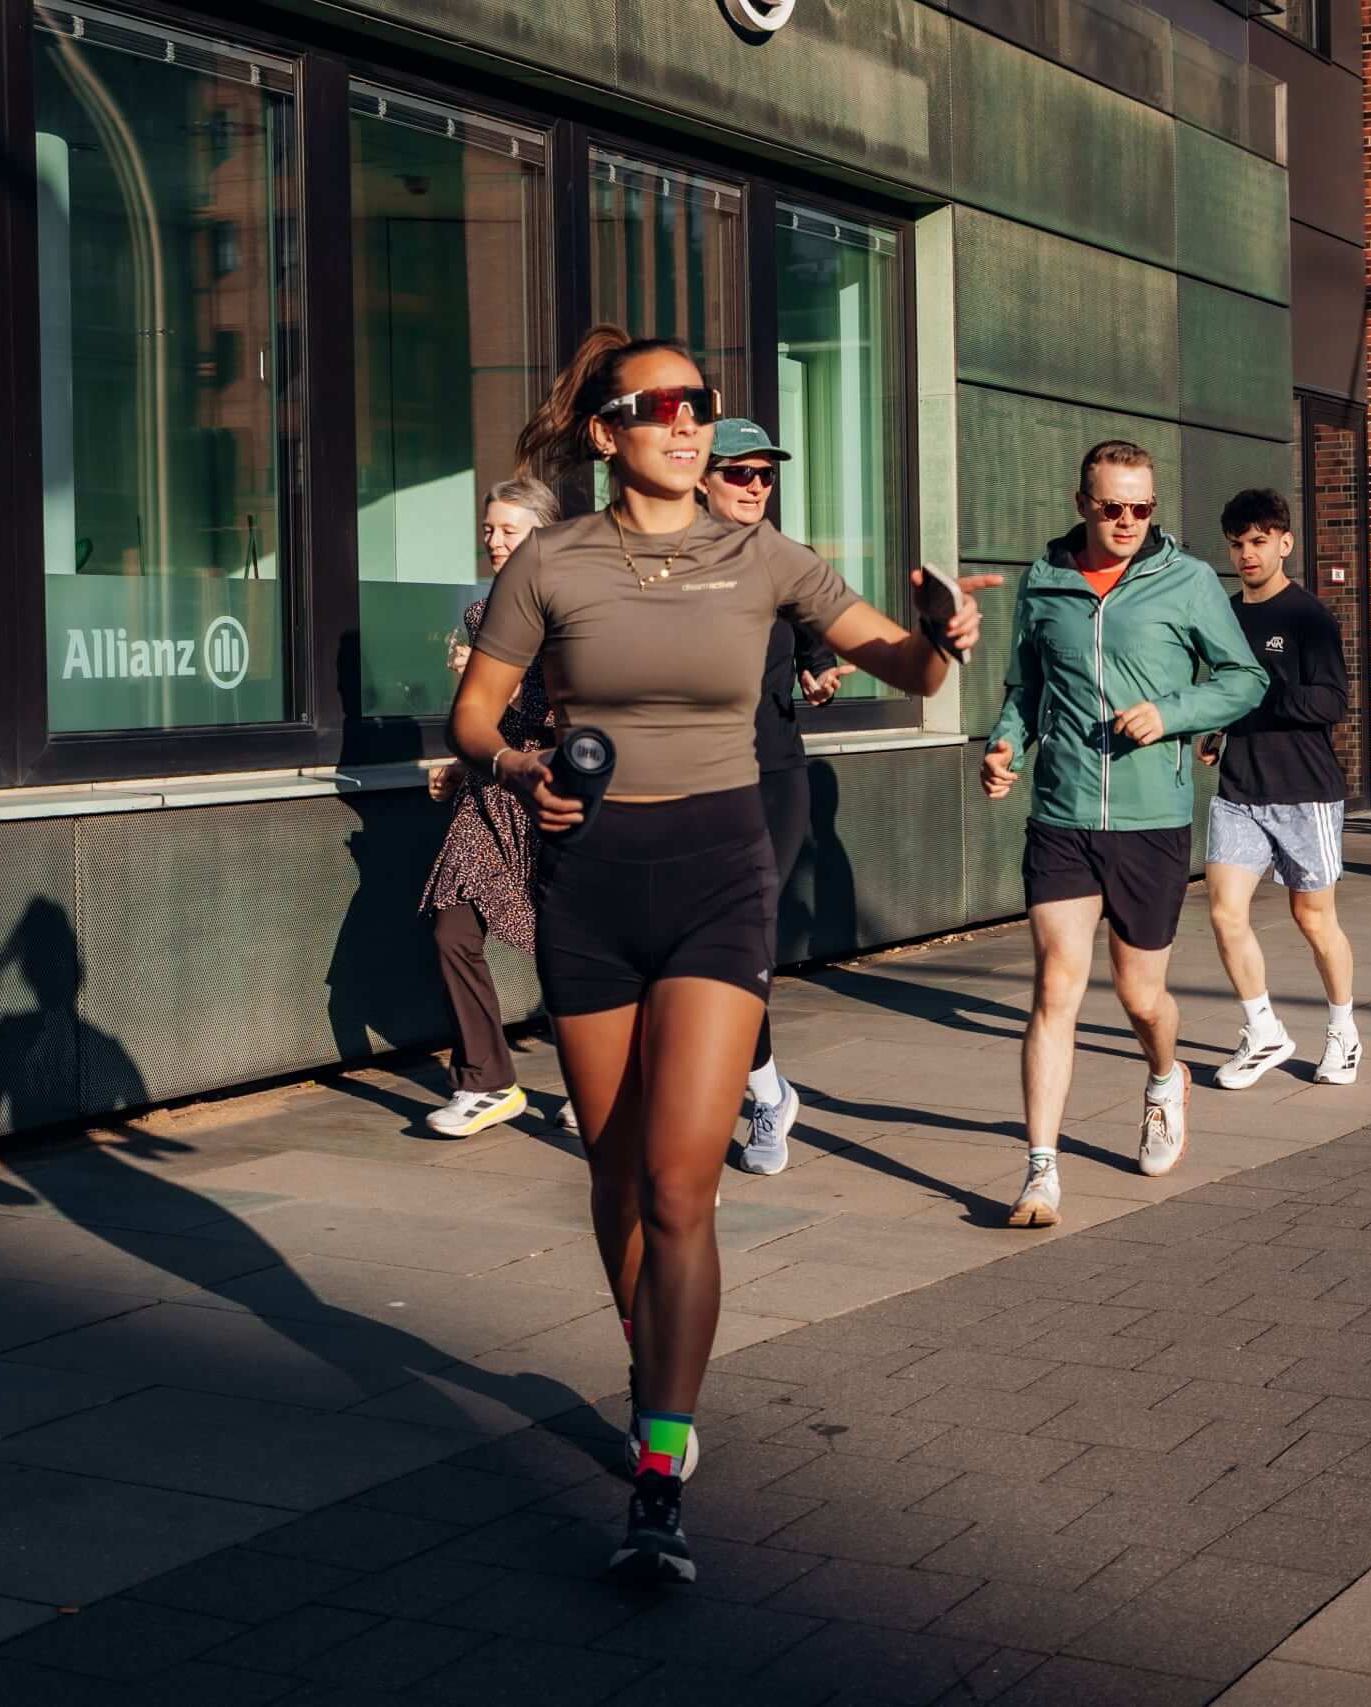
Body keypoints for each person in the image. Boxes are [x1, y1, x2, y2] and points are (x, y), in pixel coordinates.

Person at [450, 324, 991, 1585]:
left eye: (702, 404)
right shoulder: (552, 565)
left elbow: (896, 663)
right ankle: (659, 1365)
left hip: (716, 879)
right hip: (586, 887)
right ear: (607, 433)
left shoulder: (764, 557)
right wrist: (522, 764)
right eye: (662, 405)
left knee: (684, 1188)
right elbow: (476, 715)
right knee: (614, 1173)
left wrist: (940, 637)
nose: (691, 424)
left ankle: (659, 1460)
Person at [983, 440, 1267, 1228]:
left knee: (1142, 997)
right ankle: (1041, 1170)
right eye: (1113, 507)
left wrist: (1172, 714)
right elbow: (1024, 686)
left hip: (1151, 822)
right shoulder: (1044, 583)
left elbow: (1245, 679)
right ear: (1083, 502)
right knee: (1055, 988)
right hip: (1063, 816)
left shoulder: (1188, 583)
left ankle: (1164, 1079)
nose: (1128, 522)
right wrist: (1005, 743)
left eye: (1142, 508)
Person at [697, 419, 856, 1174]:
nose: (756, 485)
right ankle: (766, 1086)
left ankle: (755, 1099)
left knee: (739, 945)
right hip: (686, 777)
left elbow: (818, 653)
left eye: (765, 474)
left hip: (770, 776)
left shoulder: (788, 563)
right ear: (701, 475)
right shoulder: (666, 562)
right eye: (740, 473)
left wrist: (820, 677)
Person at [1198, 489, 1360, 1090]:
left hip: (1304, 792)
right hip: (1240, 789)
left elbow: (1331, 701)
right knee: (1223, 912)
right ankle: (1262, 1029)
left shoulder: (1307, 617)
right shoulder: (1227, 616)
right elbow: (1223, 690)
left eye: (1259, 542)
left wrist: (1258, 694)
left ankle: (1343, 1031)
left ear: (1284, 544)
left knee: (1313, 920)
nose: (1247, 554)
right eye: (1238, 544)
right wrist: (1219, 726)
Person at [422, 479, 563, 1139]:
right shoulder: (481, 616)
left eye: (509, 529)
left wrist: (487, 696)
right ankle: (487, 1081)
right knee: (453, 926)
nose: (495, 541)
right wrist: (464, 758)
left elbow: (554, 715)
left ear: (542, 535)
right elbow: (484, 717)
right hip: (489, 794)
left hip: (551, 789)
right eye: (489, 530)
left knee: (567, 947)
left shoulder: (569, 615)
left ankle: (604, 1079)